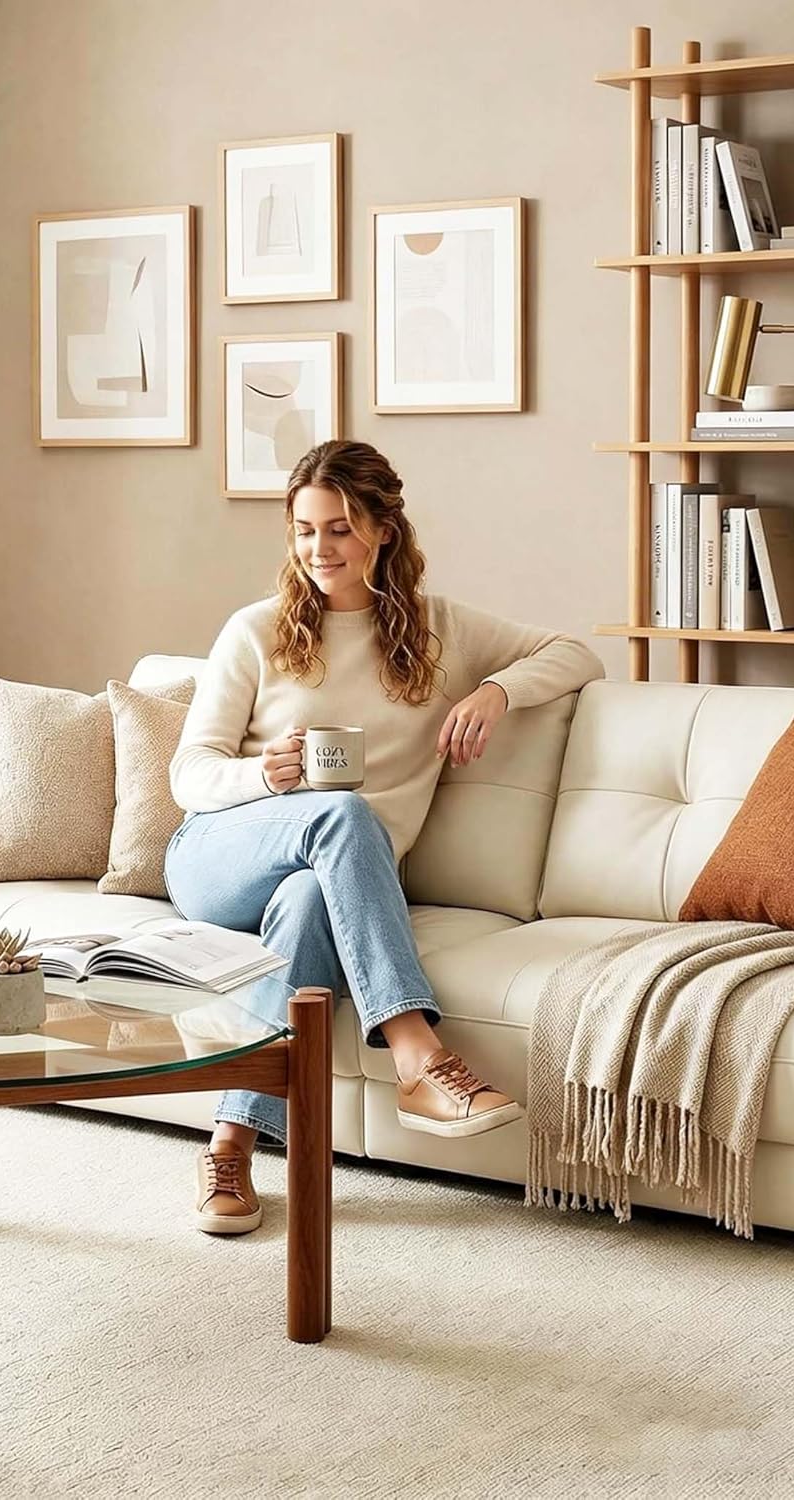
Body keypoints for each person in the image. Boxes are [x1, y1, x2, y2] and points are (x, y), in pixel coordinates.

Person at [164, 440, 604, 1234]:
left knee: (308, 903)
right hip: (218, 855)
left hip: (329, 877)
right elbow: (189, 775)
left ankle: (228, 1147)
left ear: (383, 531)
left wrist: (498, 690)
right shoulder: (257, 631)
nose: (318, 550)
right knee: (344, 810)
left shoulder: (440, 633)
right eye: (304, 531)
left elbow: (573, 653)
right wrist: (264, 776)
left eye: (339, 529)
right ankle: (415, 1052)